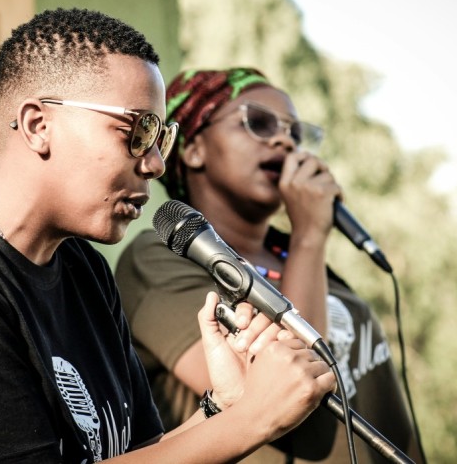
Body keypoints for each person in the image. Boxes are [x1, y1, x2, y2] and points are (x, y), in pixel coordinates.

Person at [0, 9, 336, 463]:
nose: (154, 163)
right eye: (137, 130)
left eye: (160, 137)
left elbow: (139, 452)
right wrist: (252, 421)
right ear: (38, 125)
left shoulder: (82, 265)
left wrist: (224, 409)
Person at [114, 67, 424, 463]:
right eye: (257, 123)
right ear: (193, 149)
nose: (284, 140)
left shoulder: (292, 255)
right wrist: (310, 236)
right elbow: (291, 398)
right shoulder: (159, 258)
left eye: (295, 134)